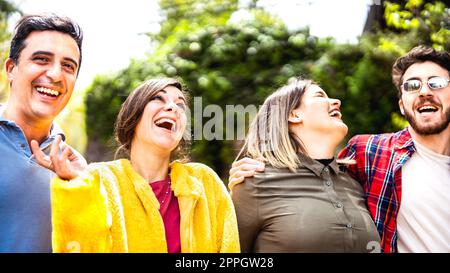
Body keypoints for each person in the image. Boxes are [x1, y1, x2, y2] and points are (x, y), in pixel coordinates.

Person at [229, 46, 450, 253]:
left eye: (436, 82)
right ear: (402, 104)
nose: (336, 101)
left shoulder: (351, 181)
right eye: (412, 85)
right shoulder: (369, 153)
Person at [32, 78, 240, 253]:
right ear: (134, 116)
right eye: (158, 98)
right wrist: (79, 186)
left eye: (180, 105)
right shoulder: (99, 180)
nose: (172, 108)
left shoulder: (205, 182)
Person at [229, 78, 380, 253]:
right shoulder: (254, 183)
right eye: (319, 95)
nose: (336, 102)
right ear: (293, 114)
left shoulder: (354, 182)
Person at [0, 14, 86, 253]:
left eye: (68, 66)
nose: (56, 75)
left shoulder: (75, 165)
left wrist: (84, 188)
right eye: (41, 59)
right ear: (11, 69)